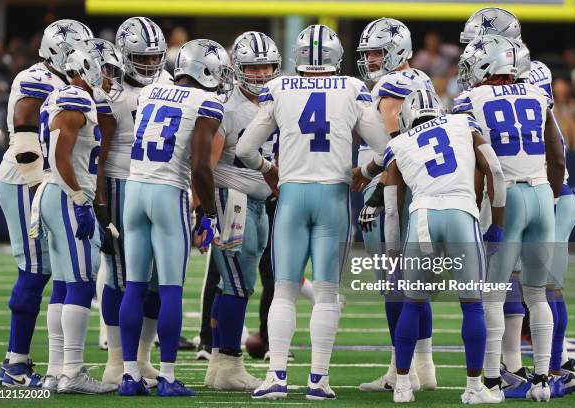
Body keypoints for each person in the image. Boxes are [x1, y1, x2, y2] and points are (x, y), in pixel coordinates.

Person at [237, 24, 389, 400]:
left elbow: (243, 150)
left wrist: (269, 170)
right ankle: (318, 380)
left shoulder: (279, 88)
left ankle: (276, 378)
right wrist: (363, 172)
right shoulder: (353, 89)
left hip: (291, 196)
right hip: (333, 196)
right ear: (337, 57)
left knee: (284, 291)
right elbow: (385, 149)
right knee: (325, 293)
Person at [459, 7, 575, 397]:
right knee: (537, 293)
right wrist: (549, 188)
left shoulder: (470, 99)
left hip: (505, 197)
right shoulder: (537, 93)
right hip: (543, 194)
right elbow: (558, 154)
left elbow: (479, 161)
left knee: (493, 292)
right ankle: (544, 380)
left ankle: (494, 378)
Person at [373, 89, 506, 403]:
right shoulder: (463, 123)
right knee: (472, 305)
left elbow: (391, 208)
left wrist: (393, 257)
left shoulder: (399, 143)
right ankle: (474, 389)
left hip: (423, 217)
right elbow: (495, 171)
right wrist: (496, 224)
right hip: (461, 212)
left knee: (413, 303)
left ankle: (403, 386)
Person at [118, 38, 232, 397]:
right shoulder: (207, 101)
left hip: (134, 189)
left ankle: (129, 375)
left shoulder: (151, 92)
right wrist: (210, 214)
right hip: (169, 193)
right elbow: (200, 166)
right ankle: (167, 376)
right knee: (170, 290)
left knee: (135, 287)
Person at [0, 19, 93, 388]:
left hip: (49, 182)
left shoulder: (69, 81)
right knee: (36, 269)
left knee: (53, 268)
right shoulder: (35, 78)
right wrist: (40, 189)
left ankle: (53, 367)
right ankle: (14, 365)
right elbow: (23, 140)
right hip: (25, 181)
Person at [35, 38, 123, 394]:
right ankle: (73, 372)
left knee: (64, 284)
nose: (110, 79)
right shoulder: (75, 97)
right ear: (88, 67)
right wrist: (78, 198)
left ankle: (57, 370)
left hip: (55, 192)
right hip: (65, 193)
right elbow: (60, 152)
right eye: (106, 71)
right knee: (82, 283)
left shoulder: (61, 95)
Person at [355, 17, 436, 392]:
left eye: (377, 52)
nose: (371, 59)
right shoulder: (422, 78)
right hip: (421, 185)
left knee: (393, 281)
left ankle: (398, 371)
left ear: (397, 49)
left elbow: (393, 147)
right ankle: (424, 365)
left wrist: (376, 187)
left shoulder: (391, 84)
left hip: (393, 187)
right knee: (415, 278)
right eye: (368, 52)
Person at [96, 16, 171, 387]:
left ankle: (142, 357)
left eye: (154, 57)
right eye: (140, 58)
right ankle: (115, 357)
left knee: (158, 278)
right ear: (124, 56)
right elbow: (100, 148)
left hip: (163, 183)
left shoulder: (170, 82)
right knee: (120, 276)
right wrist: (98, 203)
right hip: (120, 181)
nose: (149, 65)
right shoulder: (107, 90)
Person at [203, 31, 280, 391]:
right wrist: (202, 211)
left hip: (259, 201)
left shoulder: (278, 99)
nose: (262, 73)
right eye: (254, 66)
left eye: (267, 66)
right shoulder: (227, 107)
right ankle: (231, 364)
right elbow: (207, 163)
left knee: (233, 286)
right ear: (237, 68)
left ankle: (219, 362)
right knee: (236, 285)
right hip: (230, 197)